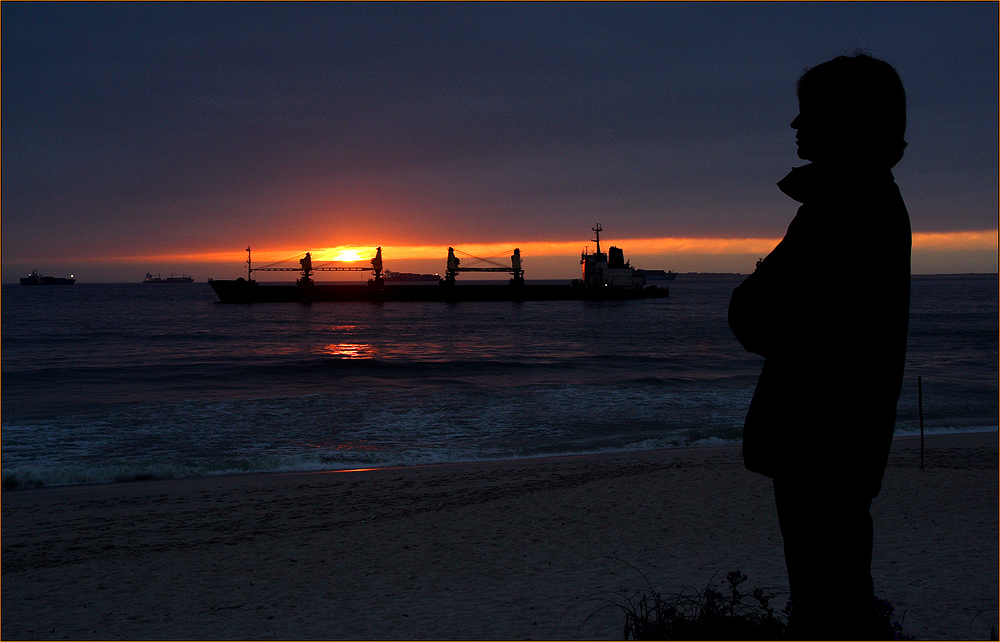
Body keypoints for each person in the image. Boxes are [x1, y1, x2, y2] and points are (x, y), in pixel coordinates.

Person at [728, 53, 911, 640]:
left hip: (822, 441)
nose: (794, 126)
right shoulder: (864, 199)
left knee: (826, 602)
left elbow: (759, 316)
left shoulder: (843, 206)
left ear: (843, 122)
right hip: (841, 440)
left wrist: (758, 289)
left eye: (806, 113)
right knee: (835, 591)